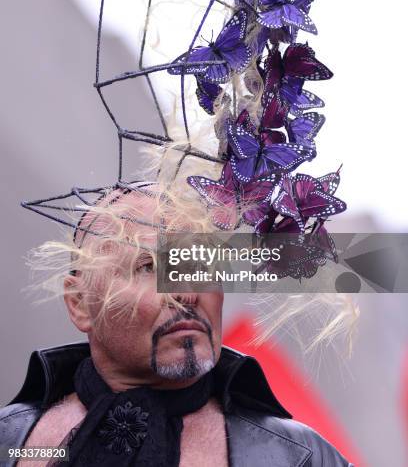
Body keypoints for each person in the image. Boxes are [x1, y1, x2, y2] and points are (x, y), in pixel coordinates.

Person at [0, 186, 353, 466]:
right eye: (149, 267)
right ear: (80, 304)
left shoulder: (300, 458)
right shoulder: (11, 443)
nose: (186, 293)